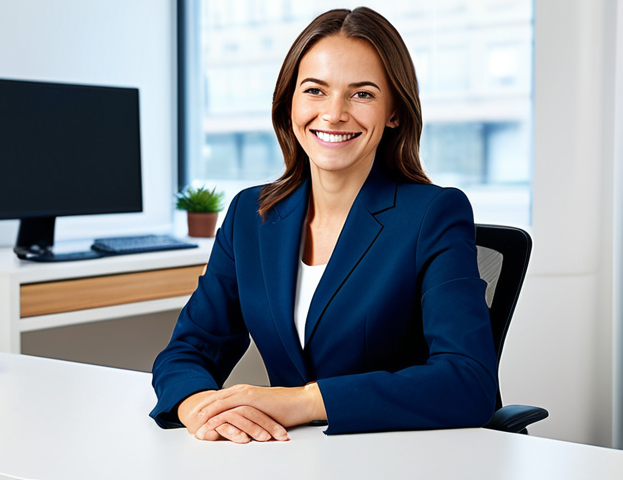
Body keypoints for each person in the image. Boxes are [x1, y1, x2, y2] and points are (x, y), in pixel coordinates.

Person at [150, 6, 497, 443]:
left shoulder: (433, 214)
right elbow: (189, 349)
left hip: (397, 456)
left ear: (393, 111)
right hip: (285, 457)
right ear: (289, 102)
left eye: (362, 94)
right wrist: (200, 406)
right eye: (315, 90)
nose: (333, 114)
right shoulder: (250, 215)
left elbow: (469, 381)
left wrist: (304, 401)